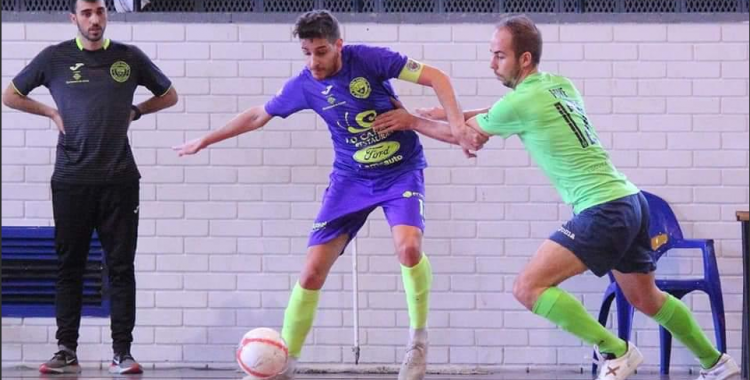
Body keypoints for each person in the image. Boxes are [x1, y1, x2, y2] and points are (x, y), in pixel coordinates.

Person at [371, 14, 740, 380]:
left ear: (525, 58)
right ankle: (717, 363)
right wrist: (455, 114)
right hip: (631, 201)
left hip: (603, 208)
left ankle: (616, 350)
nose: (492, 63)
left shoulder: (520, 103)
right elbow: (498, 113)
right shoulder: (559, 85)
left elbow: (467, 136)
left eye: (499, 55)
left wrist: (412, 121)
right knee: (646, 298)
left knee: (528, 287)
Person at [173, 9, 481, 380]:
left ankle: (417, 341)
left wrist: (456, 125)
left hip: (400, 170)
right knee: (311, 272)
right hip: (350, 179)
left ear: (339, 45)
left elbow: (437, 77)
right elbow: (258, 115)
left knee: (409, 248)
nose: (313, 62)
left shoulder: (368, 59)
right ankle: (283, 362)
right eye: (306, 52)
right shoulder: (305, 84)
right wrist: (207, 139)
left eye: (320, 52)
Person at [2, 0, 178, 375]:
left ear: (106, 15)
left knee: (120, 267)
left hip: (120, 181)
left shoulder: (129, 58)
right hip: (70, 180)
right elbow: (10, 94)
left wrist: (137, 111)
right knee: (70, 266)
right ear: (74, 18)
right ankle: (66, 350)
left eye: (99, 11)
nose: (94, 19)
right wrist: (49, 112)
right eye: (86, 13)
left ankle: (122, 353)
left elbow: (170, 94)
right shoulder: (54, 58)